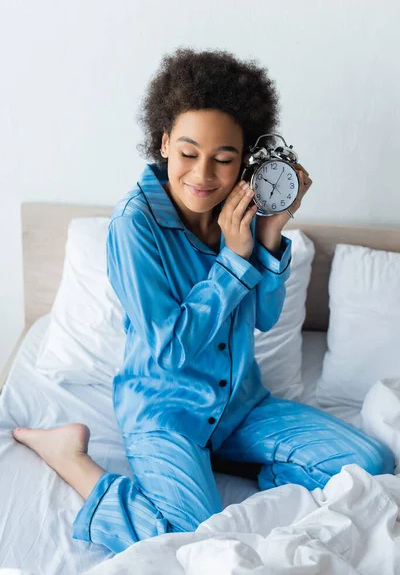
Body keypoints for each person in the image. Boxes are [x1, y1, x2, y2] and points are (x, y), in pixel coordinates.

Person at [12, 47, 395, 554]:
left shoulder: (243, 210)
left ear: (245, 160)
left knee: (369, 464)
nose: (202, 175)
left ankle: (236, 460)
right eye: (188, 152)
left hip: (240, 407)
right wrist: (234, 264)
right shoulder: (134, 226)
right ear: (164, 141)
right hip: (166, 412)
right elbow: (168, 350)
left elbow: (264, 316)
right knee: (199, 539)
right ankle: (70, 458)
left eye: (224, 158)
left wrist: (271, 235)